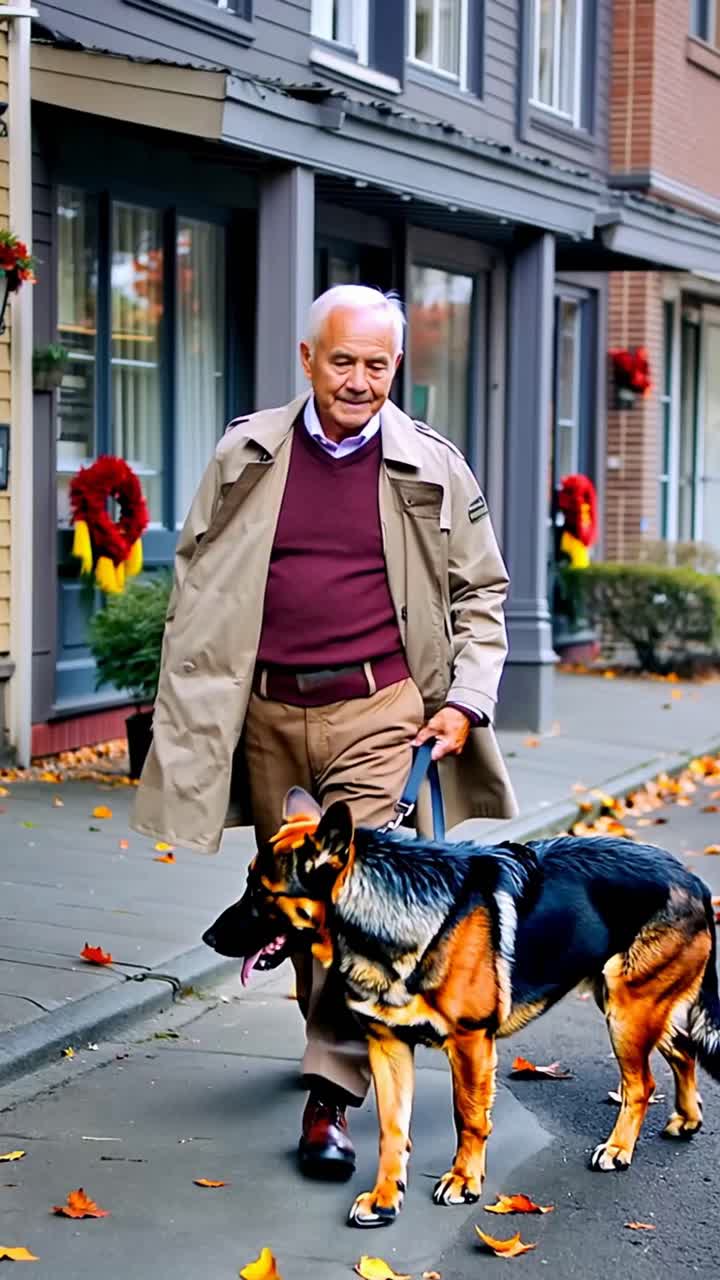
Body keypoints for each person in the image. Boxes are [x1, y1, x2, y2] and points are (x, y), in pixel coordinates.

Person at [132, 284, 517, 1182]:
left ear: (396, 367)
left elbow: (481, 593)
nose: (358, 380)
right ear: (307, 360)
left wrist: (463, 699)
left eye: (376, 365)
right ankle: (329, 1041)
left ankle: (331, 1095)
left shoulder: (433, 467)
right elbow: (196, 575)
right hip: (264, 712)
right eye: (341, 361)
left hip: (381, 708)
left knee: (354, 897)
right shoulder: (248, 452)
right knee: (298, 893)